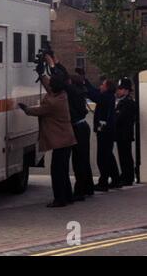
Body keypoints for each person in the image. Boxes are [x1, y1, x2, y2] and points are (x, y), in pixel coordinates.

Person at [19, 72, 77, 208]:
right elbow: (50, 87)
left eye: (51, 83)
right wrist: (42, 74)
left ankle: (59, 199)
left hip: (61, 141)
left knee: (57, 172)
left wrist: (25, 108)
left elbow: (38, 111)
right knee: (63, 171)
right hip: (66, 140)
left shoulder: (53, 102)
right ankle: (68, 196)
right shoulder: (61, 94)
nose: (49, 85)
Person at [46, 58, 94, 200]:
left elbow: (62, 82)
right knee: (83, 160)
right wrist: (57, 64)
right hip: (82, 127)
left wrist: (53, 66)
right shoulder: (78, 91)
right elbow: (65, 78)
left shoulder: (72, 92)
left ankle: (80, 191)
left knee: (78, 162)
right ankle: (87, 187)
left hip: (76, 128)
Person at [83, 76, 121, 191]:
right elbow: (95, 92)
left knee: (103, 157)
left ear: (107, 87)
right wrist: (86, 81)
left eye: (102, 85)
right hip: (107, 131)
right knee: (108, 155)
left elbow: (94, 95)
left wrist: (85, 85)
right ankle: (115, 179)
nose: (100, 86)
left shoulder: (106, 97)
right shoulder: (107, 97)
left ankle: (103, 182)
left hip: (105, 131)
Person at [115, 77, 137, 186]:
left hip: (125, 134)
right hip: (121, 134)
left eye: (121, 89)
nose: (119, 91)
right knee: (123, 155)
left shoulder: (127, 102)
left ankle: (128, 177)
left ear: (127, 90)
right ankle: (125, 175)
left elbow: (120, 118)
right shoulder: (123, 102)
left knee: (125, 156)